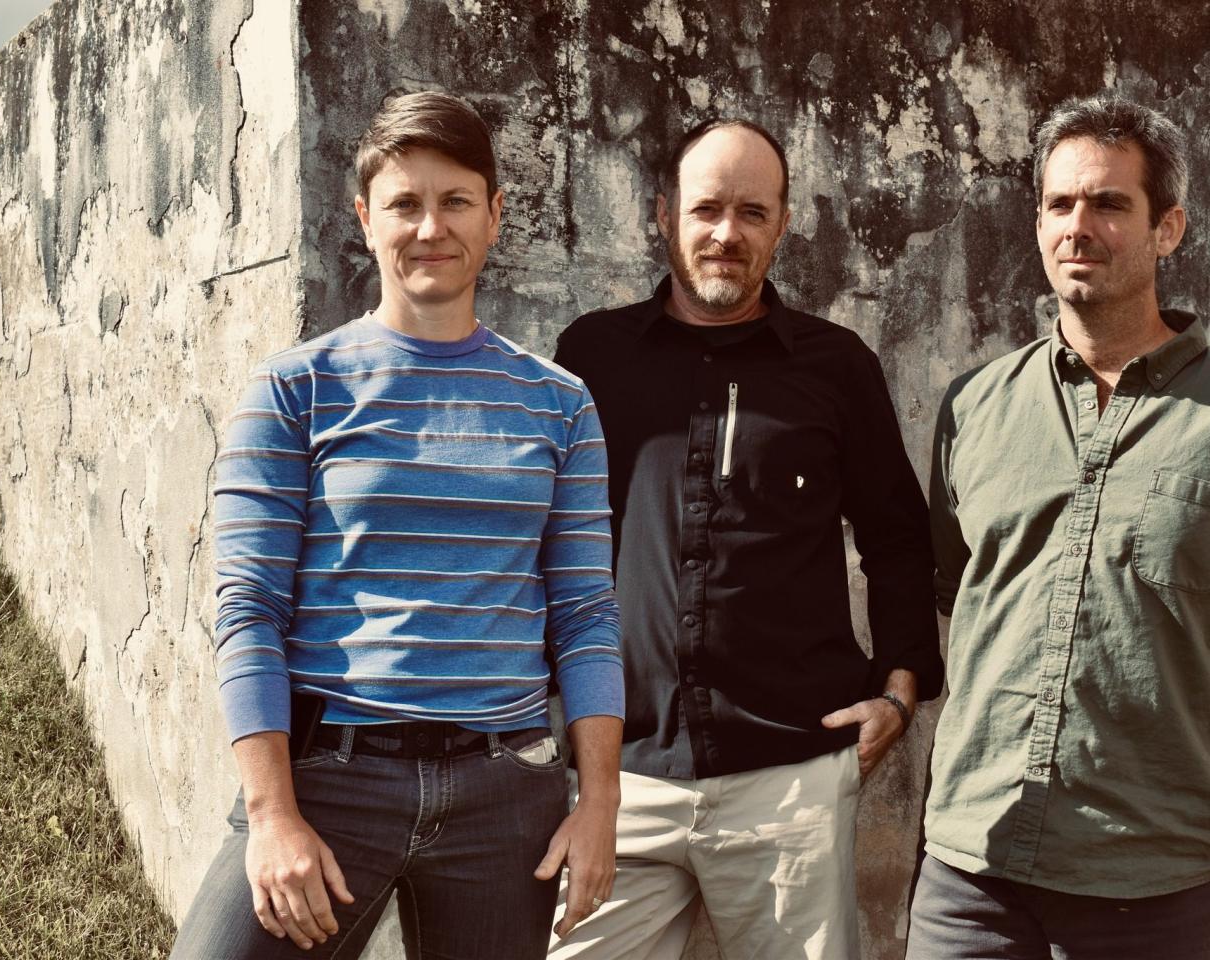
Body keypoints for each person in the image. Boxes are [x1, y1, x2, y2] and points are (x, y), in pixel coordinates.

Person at [171, 92, 624, 960]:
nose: (430, 228)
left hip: (506, 794)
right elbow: (248, 608)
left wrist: (598, 801)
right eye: (404, 203)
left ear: (495, 214)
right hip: (328, 782)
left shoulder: (560, 403)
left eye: (455, 201)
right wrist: (271, 815)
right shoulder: (293, 389)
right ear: (365, 218)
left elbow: (585, 614)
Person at [907, 94, 1210, 959]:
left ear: (1166, 229)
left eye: (1110, 203)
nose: (1079, 227)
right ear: (1038, 224)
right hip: (971, 865)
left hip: (1156, 878)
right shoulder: (974, 406)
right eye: (1060, 204)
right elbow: (963, 590)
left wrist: (1172, 749)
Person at [548, 118, 944, 960]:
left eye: (752, 213)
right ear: (665, 214)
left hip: (790, 782)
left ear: (783, 224)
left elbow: (899, 536)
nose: (727, 233)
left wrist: (900, 690)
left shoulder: (836, 366)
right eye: (707, 209)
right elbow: (546, 537)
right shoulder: (591, 356)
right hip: (619, 777)